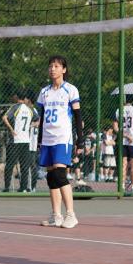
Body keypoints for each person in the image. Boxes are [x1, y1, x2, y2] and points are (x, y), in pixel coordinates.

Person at [36, 56, 84, 228]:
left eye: (56, 66)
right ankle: (56, 215)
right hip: (47, 139)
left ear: (64, 69)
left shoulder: (70, 90)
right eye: (50, 66)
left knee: (59, 175)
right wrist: (39, 140)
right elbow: (42, 118)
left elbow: (77, 117)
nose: (52, 69)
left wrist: (80, 140)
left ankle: (71, 214)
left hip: (62, 138)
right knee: (51, 177)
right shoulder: (44, 92)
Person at [3, 90, 38, 193]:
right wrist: (31, 125)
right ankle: (23, 187)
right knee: (24, 166)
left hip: (15, 140)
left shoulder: (15, 107)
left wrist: (11, 129)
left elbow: (4, 118)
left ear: (17, 97)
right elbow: (38, 120)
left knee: (9, 165)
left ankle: (7, 187)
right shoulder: (29, 109)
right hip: (26, 140)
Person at [115, 99, 133, 194]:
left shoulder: (119, 109)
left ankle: (122, 186)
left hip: (123, 140)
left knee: (123, 164)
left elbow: (115, 127)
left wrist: (125, 135)